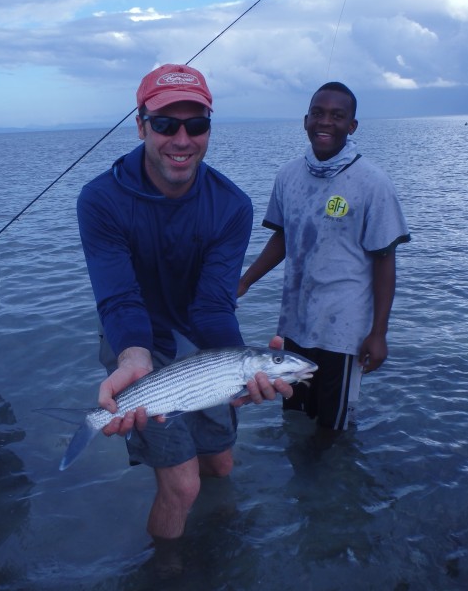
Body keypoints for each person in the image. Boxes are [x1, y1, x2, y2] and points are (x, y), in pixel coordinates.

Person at [76, 64, 292, 544]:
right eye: (165, 123)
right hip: (132, 335)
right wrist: (133, 355)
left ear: (209, 128)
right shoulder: (100, 200)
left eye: (196, 125)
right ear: (140, 124)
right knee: (183, 486)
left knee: (220, 463)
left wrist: (242, 365)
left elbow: (213, 306)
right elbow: (119, 296)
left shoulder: (232, 206)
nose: (182, 138)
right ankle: (167, 571)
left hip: (200, 343)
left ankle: (220, 542)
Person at [238, 81, 410, 438]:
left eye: (337, 115)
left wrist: (379, 333)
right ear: (305, 120)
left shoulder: (372, 182)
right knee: (296, 418)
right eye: (318, 113)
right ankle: (302, 490)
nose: (325, 122)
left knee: (333, 431)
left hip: (343, 332)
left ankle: (334, 490)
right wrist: (244, 281)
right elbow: (283, 237)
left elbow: (384, 260)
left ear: (352, 125)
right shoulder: (288, 175)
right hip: (296, 323)